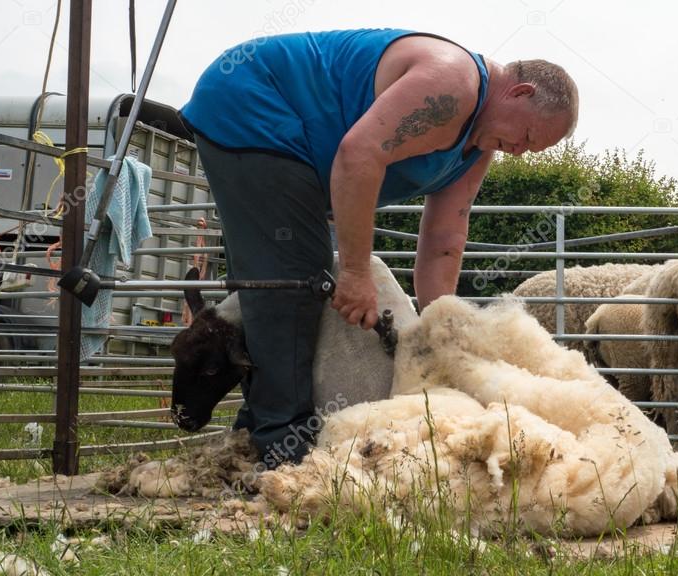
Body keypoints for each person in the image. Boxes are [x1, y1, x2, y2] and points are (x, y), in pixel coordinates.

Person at [179, 28, 578, 468]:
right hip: (253, 102)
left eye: (529, 149)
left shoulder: (477, 148)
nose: (520, 152)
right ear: (520, 93)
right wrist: (354, 273)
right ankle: (281, 451)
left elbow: (445, 238)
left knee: (276, 277)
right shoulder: (454, 83)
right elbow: (358, 155)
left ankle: (254, 431)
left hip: (294, 142)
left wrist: (439, 329)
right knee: (297, 280)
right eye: (526, 136)